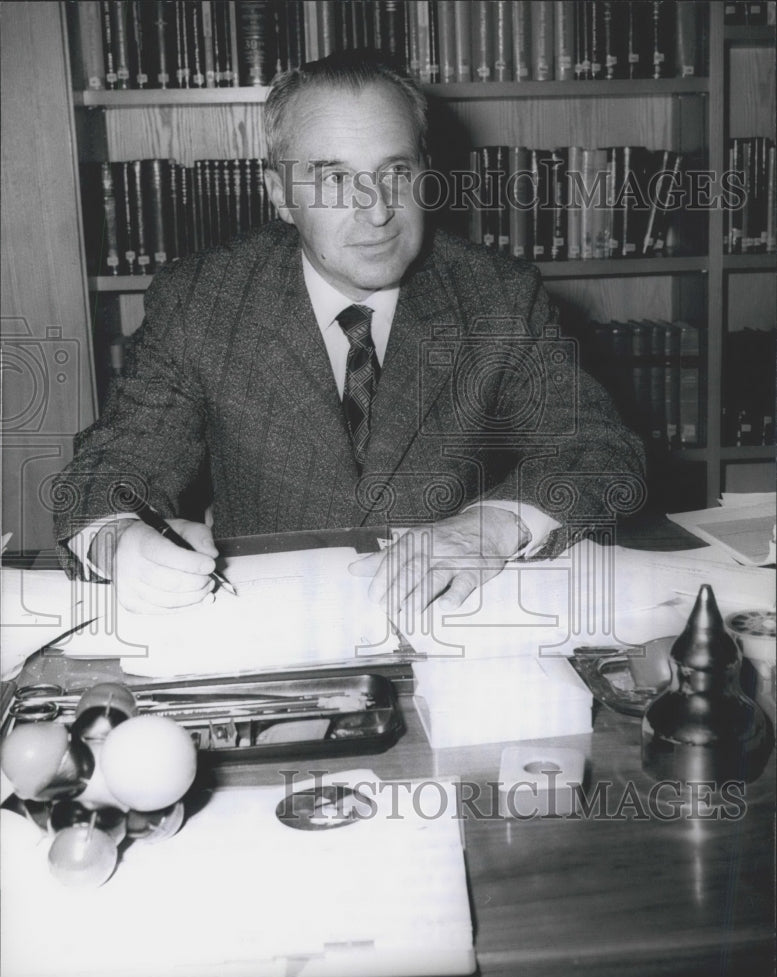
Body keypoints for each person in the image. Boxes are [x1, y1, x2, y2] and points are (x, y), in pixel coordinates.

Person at [54, 51, 645, 617]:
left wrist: (493, 527)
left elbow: (601, 454)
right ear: (281, 193)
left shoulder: (496, 295)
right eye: (334, 178)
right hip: (264, 627)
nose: (378, 210)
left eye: (396, 172)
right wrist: (119, 542)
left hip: (453, 619)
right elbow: (107, 470)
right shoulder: (203, 300)